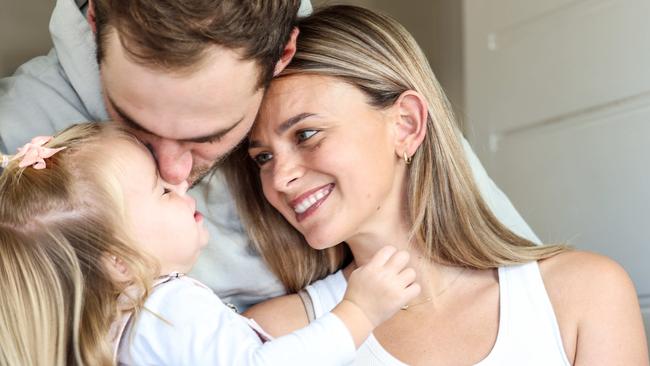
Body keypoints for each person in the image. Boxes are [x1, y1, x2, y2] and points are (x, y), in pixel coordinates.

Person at [0, 0, 538, 311]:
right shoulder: (16, 140)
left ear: (281, 56)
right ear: (95, 21)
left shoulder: (327, 87)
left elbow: (505, 270)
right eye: (134, 125)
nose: (173, 174)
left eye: (210, 136)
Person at [224, 5, 650, 365]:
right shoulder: (275, 338)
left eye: (306, 134)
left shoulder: (583, 295)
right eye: (262, 157)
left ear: (406, 124)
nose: (279, 178)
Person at [0, 122, 420, 365]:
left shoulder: (124, 328)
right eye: (163, 191)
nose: (182, 181)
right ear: (121, 263)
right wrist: (358, 312)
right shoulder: (168, 310)